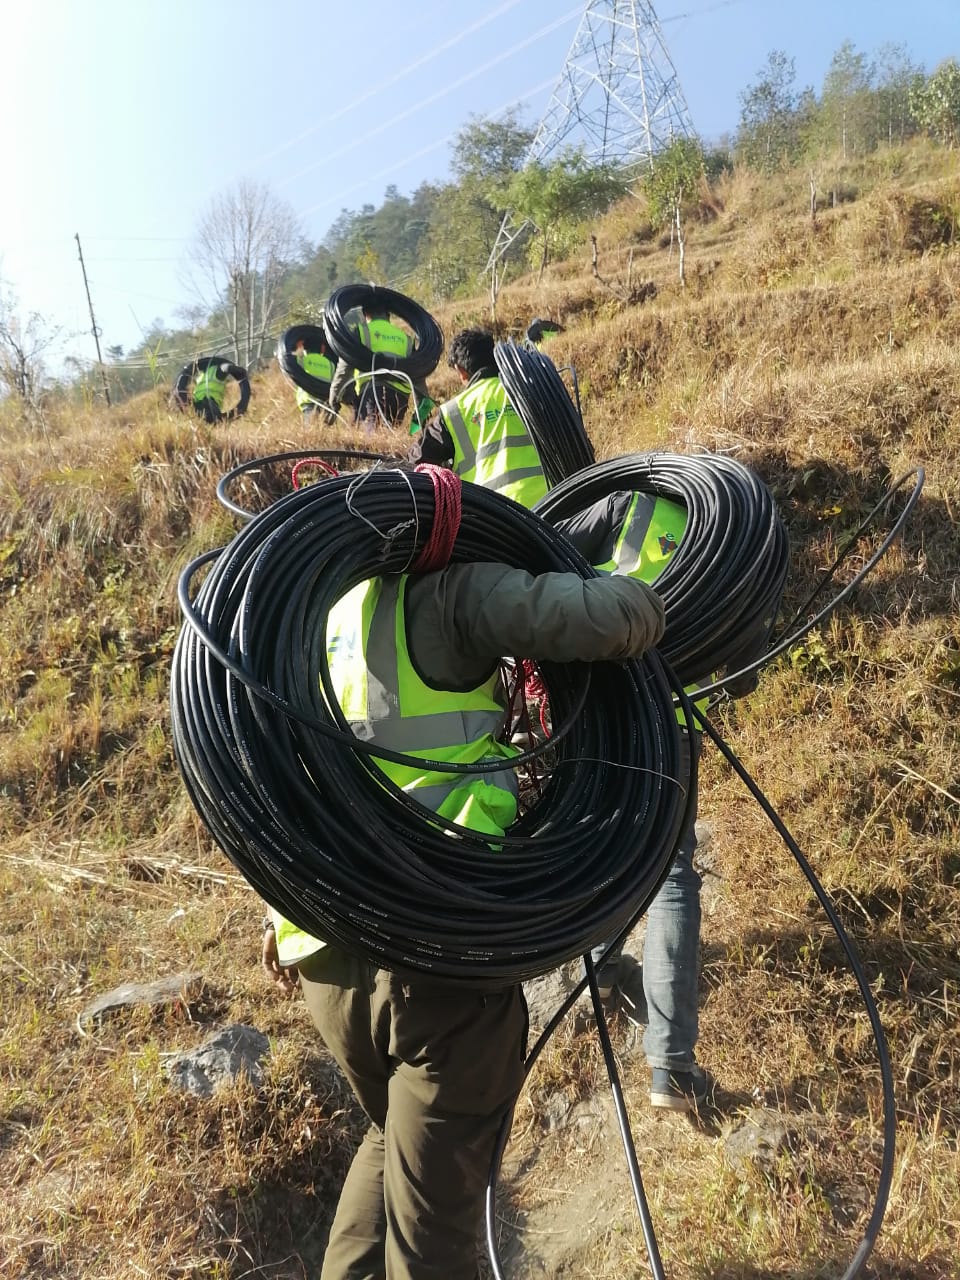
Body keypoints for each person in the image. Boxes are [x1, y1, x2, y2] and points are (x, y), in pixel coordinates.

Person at [262, 548, 668, 1280]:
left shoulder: (321, 611)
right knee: (438, 1239)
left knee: (391, 1140)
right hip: (435, 963)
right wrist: (651, 599)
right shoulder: (453, 596)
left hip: (322, 953)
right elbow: (607, 618)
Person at [553, 487, 762, 1115]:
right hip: (666, 728)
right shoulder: (732, 553)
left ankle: (603, 972)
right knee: (671, 872)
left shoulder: (626, 505)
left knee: (598, 843)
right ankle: (670, 1066)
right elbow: (742, 675)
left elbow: (553, 557)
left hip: (591, 718)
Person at [410, 327, 548, 508]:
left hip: (491, 518)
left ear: (461, 371)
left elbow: (418, 459)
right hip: (551, 504)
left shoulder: (455, 411)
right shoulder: (533, 390)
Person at [327, 300, 429, 432]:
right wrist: (422, 410)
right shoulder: (405, 338)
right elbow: (417, 375)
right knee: (391, 437)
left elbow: (344, 370)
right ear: (388, 315)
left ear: (365, 314)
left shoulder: (360, 333)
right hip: (400, 398)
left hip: (373, 392)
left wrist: (334, 398)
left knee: (373, 442)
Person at [293, 337, 337, 422]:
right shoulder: (331, 364)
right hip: (326, 404)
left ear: (304, 348)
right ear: (322, 349)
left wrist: (297, 346)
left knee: (311, 431)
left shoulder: (302, 360)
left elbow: (290, 365)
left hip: (309, 402)